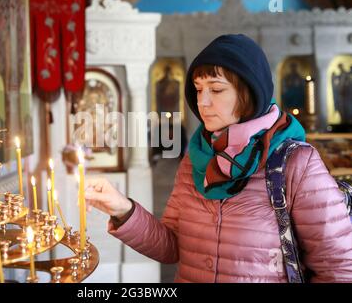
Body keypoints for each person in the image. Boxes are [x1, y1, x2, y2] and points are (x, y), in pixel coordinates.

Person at [84, 34, 352, 283]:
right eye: (199, 89)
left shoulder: (295, 163)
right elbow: (172, 246)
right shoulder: (196, 159)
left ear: (249, 92)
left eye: (217, 89)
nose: (202, 102)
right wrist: (121, 209)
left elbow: (338, 268)